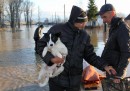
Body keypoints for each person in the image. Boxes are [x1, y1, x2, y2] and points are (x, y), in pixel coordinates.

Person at [37, 5, 116, 91]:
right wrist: (51, 59)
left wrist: (105, 66)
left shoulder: (84, 36)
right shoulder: (56, 29)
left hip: (75, 82)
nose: (84, 25)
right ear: (73, 20)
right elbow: (40, 45)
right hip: (56, 79)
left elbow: (90, 56)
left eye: (85, 22)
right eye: (81, 22)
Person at [97, 3, 130, 83]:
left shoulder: (122, 28)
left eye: (105, 17)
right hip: (110, 69)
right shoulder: (114, 27)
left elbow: (126, 52)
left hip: (116, 73)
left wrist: (119, 74)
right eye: (102, 18)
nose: (103, 20)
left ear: (112, 13)